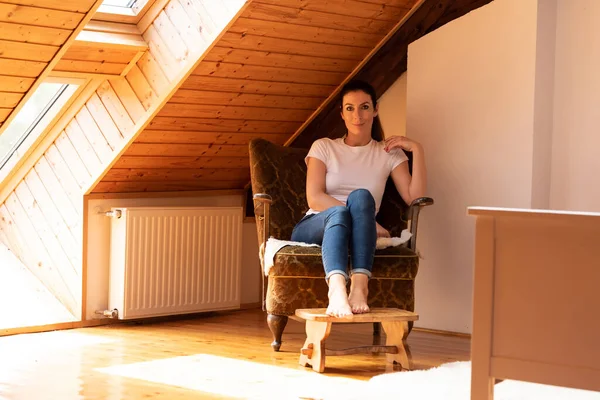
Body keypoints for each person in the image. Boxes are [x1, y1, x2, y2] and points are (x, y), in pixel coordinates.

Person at [290, 80, 427, 318]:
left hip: (359, 224)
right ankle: (336, 290)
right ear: (342, 113)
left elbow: (414, 197)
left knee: (362, 196)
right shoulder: (324, 147)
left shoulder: (388, 153)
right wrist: (365, 222)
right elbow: (314, 198)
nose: (357, 115)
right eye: (350, 108)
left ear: (375, 110)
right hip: (316, 224)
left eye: (364, 107)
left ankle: (359, 287)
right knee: (340, 212)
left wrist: (417, 149)